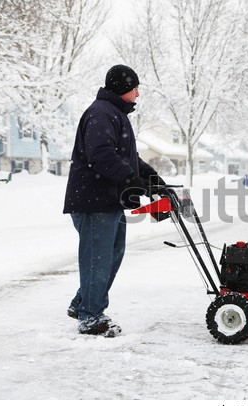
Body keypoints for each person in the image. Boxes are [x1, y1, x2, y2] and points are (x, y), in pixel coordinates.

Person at [63, 64, 165, 337]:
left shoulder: (113, 114)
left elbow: (126, 157)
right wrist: (131, 179)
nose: (138, 94)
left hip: (108, 201)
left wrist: (153, 179)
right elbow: (102, 156)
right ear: (122, 88)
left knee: (111, 255)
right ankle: (91, 316)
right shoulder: (100, 114)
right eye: (135, 89)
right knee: (99, 258)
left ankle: (82, 304)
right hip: (94, 201)